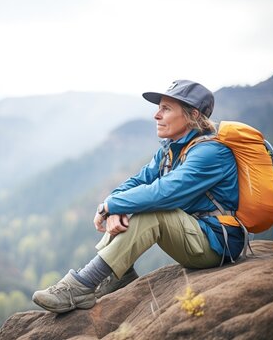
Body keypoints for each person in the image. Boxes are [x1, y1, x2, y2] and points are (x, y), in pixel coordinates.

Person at [32, 80, 245, 313]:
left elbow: (165, 192)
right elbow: (138, 181)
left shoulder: (211, 153)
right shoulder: (170, 150)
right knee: (143, 202)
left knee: (155, 210)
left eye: (166, 109)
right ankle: (118, 275)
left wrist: (111, 205)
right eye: (159, 108)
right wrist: (112, 206)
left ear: (192, 115)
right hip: (195, 235)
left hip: (217, 244)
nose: (156, 115)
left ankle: (81, 286)